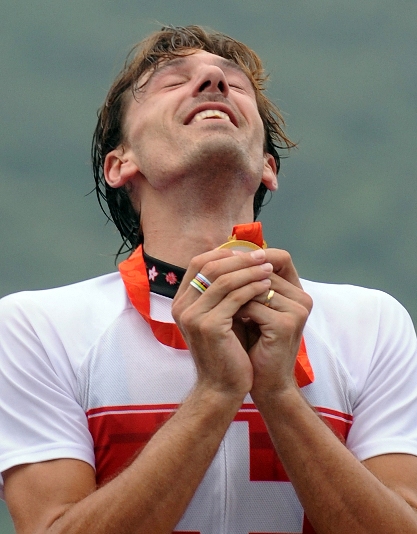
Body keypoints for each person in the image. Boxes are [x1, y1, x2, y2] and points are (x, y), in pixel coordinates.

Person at [1, 24, 417, 534]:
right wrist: (216, 393)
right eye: (172, 81)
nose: (213, 82)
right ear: (119, 163)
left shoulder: (371, 323)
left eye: (235, 84)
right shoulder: (38, 325)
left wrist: (281, 395)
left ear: (268, 167)